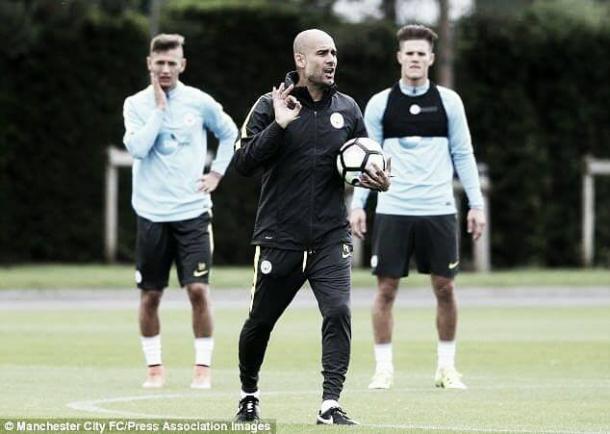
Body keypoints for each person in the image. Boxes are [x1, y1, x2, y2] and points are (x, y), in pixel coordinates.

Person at [232, 29, 390, 425]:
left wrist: (378, 179)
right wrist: (280, 125)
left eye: (334, 53)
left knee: (338, 311)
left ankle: (330, 403)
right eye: (322, 53)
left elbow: (366, 160)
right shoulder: (272, 105)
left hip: (330, 237)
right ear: (301, 60)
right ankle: (248, 394)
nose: (332, 60)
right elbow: (244, 163)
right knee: (259, 323)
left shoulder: (349, 109)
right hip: (278, 237)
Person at [350, 24, 486, 390]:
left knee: (445, 288)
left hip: (438, 209)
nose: (414, 58)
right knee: (386, 290)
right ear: (399, 57)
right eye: (408, 52)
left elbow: (463, 154)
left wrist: (476, 203)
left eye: (421, 53)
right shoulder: (380, 103)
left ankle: (446, 368)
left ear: (431, 58)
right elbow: (367, 158)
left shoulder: (448, 101)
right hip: (394, 209)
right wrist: (359, 204)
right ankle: (383, 369)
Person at [122, 33, 238, 389]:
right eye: (160, 63)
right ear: (149, 64)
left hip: (192, 213)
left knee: (198, 291)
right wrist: (158, 110)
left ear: (182, 65)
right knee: (151, 295)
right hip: (151, 214)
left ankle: (202, 368)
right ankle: (154, 368)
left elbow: (230, 131)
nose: (166, 69)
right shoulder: (135, 104)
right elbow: (138, 149)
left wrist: (217, 172)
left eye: (172, 63)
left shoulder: (198, 102)